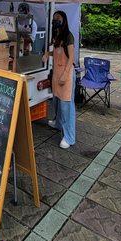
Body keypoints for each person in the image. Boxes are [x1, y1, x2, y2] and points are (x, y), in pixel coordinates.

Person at [42, 10, 75, 149]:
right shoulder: (56, 35)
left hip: (66, 75)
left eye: (58, 18)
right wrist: (47, 54)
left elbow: (71, 58)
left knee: (66, 106)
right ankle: (58, 123)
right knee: (56, 101)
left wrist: (65, 75)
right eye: (54, 18)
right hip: (56, 74)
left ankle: (69, 137)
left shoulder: (68, 36)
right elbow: (57, 52)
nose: (55, 20)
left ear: (64, 20)